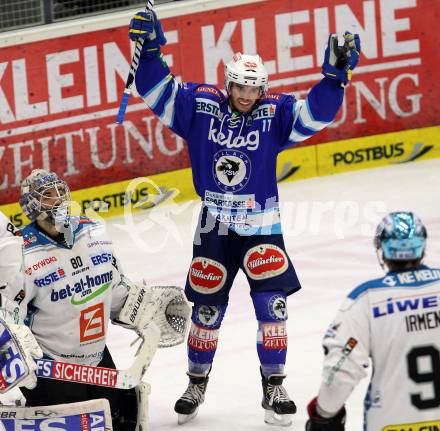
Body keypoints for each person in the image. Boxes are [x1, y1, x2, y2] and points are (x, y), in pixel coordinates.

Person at [127, 10, 361, 426]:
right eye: (240, 87)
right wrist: (148, 52)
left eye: (254, 89)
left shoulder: (275, 115)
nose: (247, 95)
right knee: (205, 312)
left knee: (273, 309)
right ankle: (196, 382)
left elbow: (315, 117)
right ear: (228, 83)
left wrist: (334, 80)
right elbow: (158, 90)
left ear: (262, 89)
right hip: (214, 227)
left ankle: (274, 387)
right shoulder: (200, 107)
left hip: (262, 227)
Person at [0, 169, 187, 430]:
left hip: (97, 360)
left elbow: (114, 286)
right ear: (32, 205)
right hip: (52, 368)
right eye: (48, 196)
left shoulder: (94, 234)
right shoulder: (21, 254)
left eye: (60, 192)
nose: (58, 200)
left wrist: (143, 306)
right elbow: (9, 315)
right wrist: (16, 352)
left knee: (123, 419)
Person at [306, 212, 440, 430]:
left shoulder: (367, 298)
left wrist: (324, 414)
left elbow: (340, 370)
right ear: (422, 247)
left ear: (383, 251)